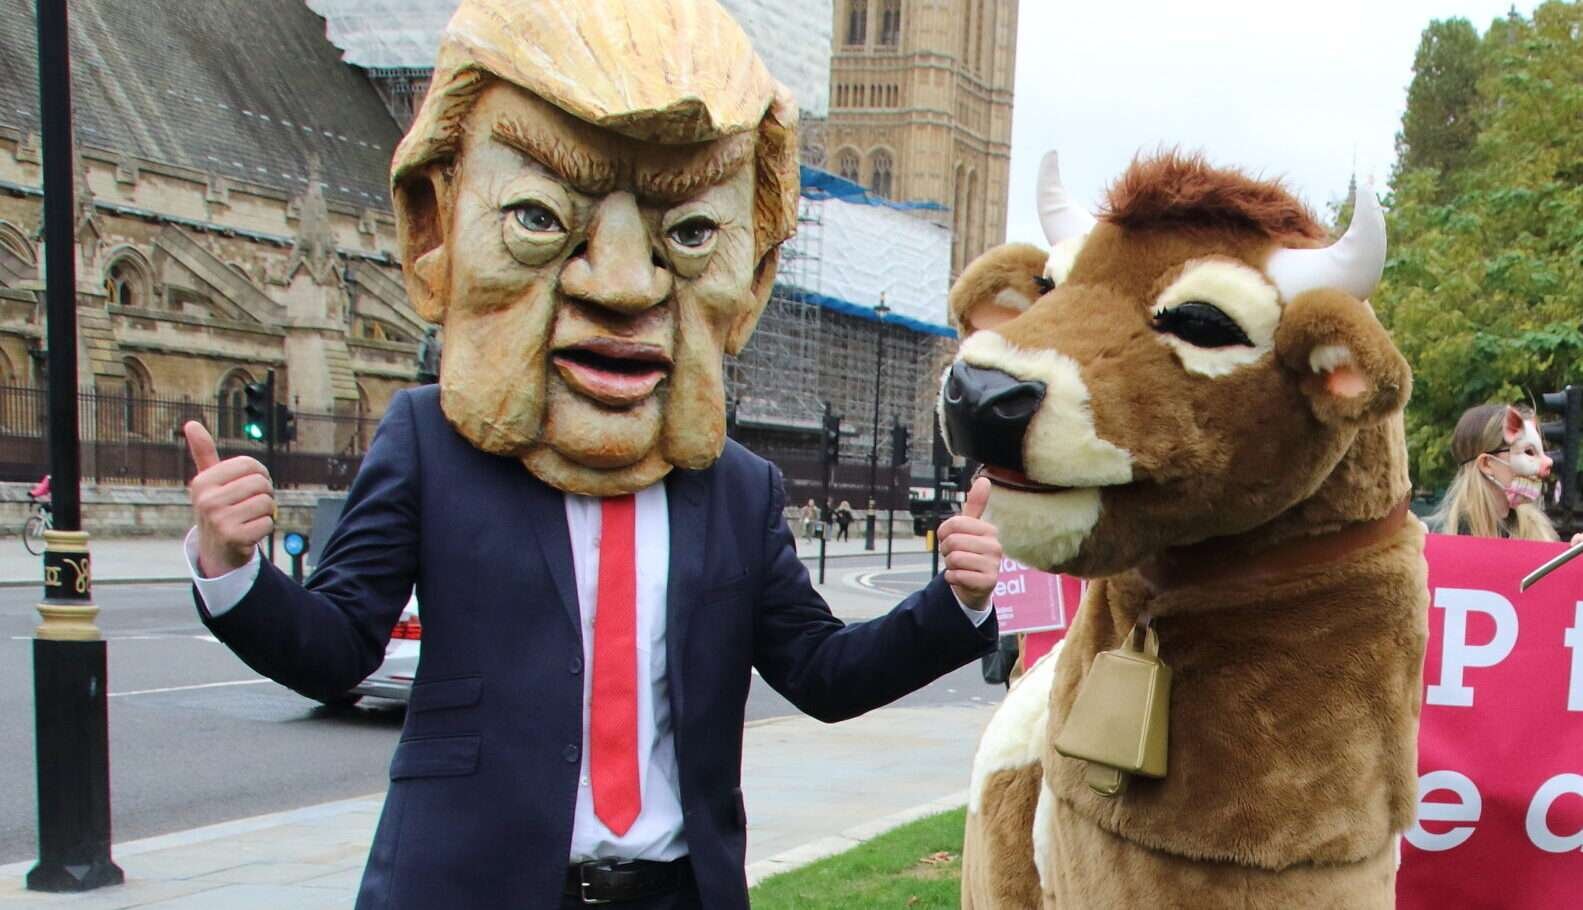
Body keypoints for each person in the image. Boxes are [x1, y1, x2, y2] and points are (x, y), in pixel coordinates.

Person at [179, 3, 1003, 908]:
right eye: (539, 217)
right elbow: (337, 650)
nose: (621, 285)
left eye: (689, 235)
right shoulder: (432, 444)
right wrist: (232, 566)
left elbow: (820, 672)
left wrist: (956, 602)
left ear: (752, 277)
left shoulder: (736, 489)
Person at [1431, 403, 1562, 541]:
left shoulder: (1537, 532)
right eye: (1529, 452)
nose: (1548, 461)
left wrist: (1574, 549)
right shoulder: (1439, 535)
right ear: (1486, 463)